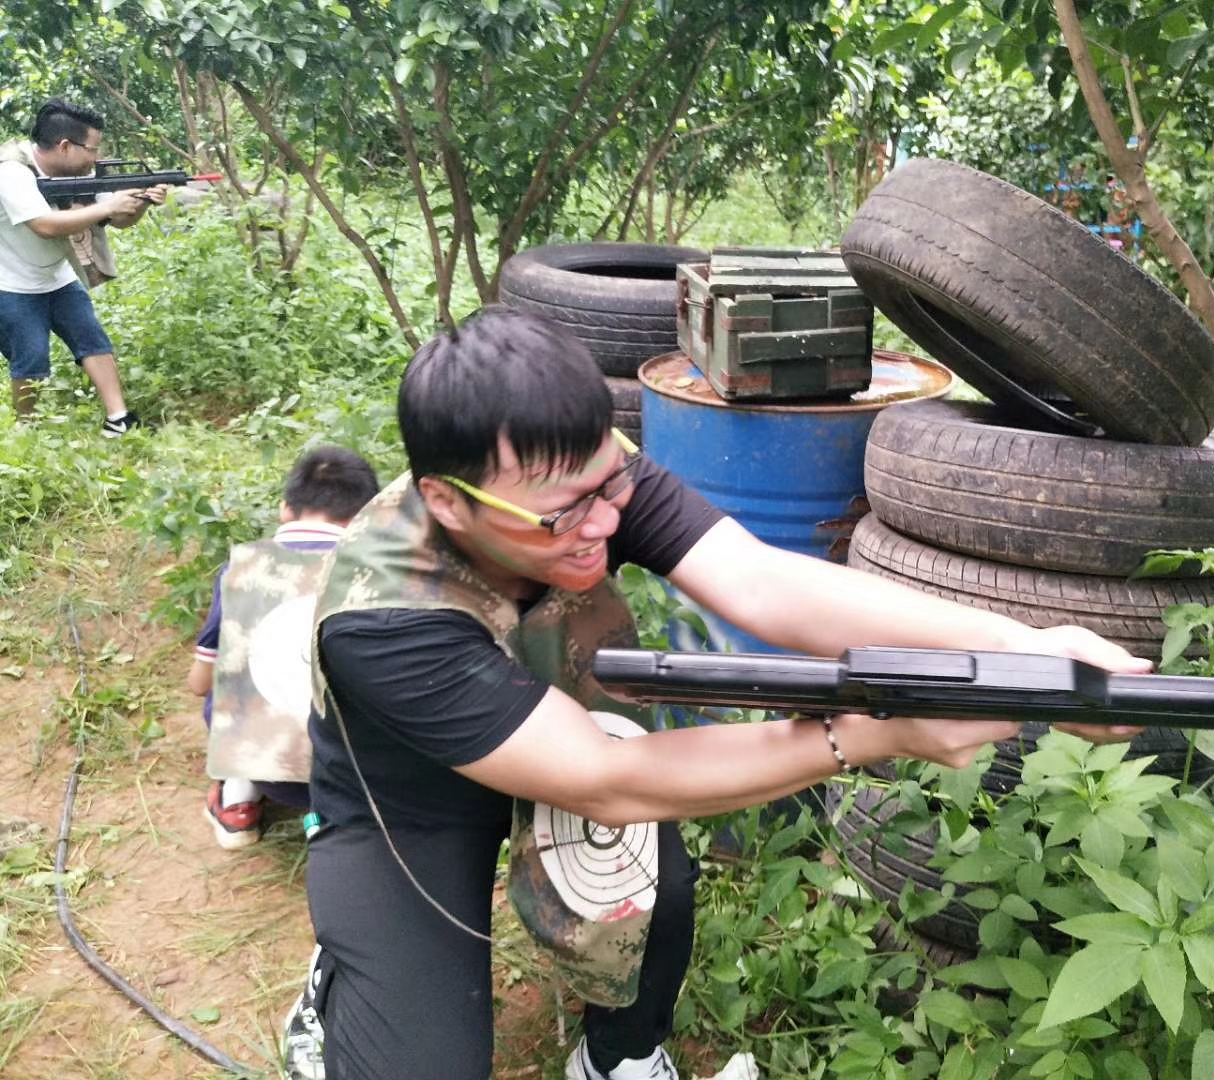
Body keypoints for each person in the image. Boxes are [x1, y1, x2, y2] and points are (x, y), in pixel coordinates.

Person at [300, 307, 1150, 1080]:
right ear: (449, 502)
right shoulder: (384, 619)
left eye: (610, 489)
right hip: (410, 801)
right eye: (563, 516)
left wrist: (1027, 648)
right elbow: (606, 778)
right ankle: (342, 974)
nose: (601, 523)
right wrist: (872, 737)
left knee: (651, 895)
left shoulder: (584, 476)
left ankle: (620, 1059)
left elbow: (760, 583)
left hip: (572, 716)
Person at [188, 445, 380, 850]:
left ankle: (238, 798)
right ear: (366, 517)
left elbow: (199, 682)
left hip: (265, 766)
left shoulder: (241, 568)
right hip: (361, 773)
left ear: (284, 509)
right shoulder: (378, 573)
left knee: (227, 689)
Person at [0, 97, 165, 433]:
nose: (96, 157)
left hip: (57, 277)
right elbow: (45, 226)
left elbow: (117, 220)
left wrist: (142, 202)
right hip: (10, 282)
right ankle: (27, 432)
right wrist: (108, 208)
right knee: (31, 359)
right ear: (64, 146)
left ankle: (118, 419)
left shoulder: (82, 172)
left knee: (92, 338)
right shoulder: (11, 171)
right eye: (92, 149)